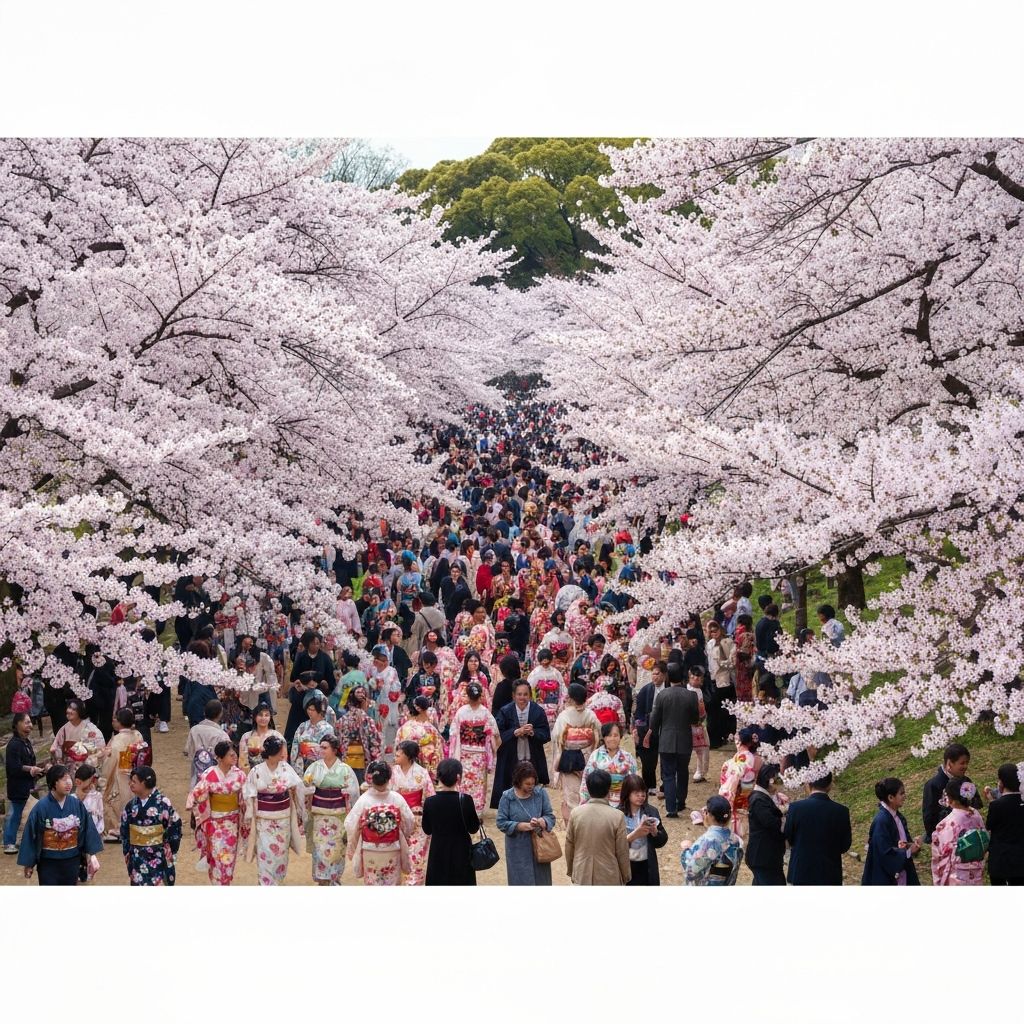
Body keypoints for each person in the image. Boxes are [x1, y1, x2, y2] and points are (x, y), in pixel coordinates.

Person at [17, 765, 104, 885]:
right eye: (63, 779)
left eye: (69, 778)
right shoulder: (41, 807)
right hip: (48, 861)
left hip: (72, 859)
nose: (68, 782)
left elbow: (87, 830)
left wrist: (91, 855)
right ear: (53, 782)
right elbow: (31, 835)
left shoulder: (76, 804)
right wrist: (29, 863)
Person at [242, 734, 306, 885]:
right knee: (265, 854)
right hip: (264, 821)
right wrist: (250, 811)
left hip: (282, 821)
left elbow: (298, 786)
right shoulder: (256, 770)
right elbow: (249, 792)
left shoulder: (285, 768)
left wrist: (300, 810)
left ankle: (277, 883)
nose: (283, 754)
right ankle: (265, 884)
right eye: (280, 751)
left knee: (280, 856)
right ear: (271, 753)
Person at [186, 739, 249, 886]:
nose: (234, 757)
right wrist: (195, 803)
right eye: (230, 755)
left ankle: (223, 884)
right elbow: (197, 795)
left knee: (228, 859)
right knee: (216, 858)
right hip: (214, 824)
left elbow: (245, 798)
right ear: (219, 758)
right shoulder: (209, 774)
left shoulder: (239, 775)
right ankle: (219, 884)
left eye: (234, 754)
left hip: (232, 823)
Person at [345, 759, 416, 885]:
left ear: (370, 778)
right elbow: (410, 821)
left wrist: (355, 840)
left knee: (373, 882)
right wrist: (403, 833)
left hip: (370, 849)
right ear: (389, 778)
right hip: (392, 848)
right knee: (391, 882)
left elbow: (350, 824)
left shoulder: (364, 800)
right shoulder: (396, 798)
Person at [302, 734, 361, 886]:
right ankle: (322, 879)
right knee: (320, 848)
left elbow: (353, 790)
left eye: (325, 747)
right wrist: (310, 788)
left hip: (338, 816)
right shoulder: (314, 767)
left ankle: (335, 878)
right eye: (320, 747)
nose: (321, 750)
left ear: (335, 750)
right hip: (319, 816)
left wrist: (345, 792)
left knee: (337, 849)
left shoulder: (344, 769)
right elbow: (304, 787)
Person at [645, 662, 698, 817]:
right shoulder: (691, 695)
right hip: (684, 739)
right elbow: (695, 719)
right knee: (682, 772)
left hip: (666, 740)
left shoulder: (662, 695)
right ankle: (680, 802)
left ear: (667, 676)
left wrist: (651, 732)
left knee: (668, 774)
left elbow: (654, 721)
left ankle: (670, 808)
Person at [784, 772, 852, 885]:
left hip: (801, 871)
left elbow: (789, 838)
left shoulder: (796, 808)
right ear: (830, 784)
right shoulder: (841, 811)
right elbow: (845, 845)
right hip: (829, 873)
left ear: (808, 783)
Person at [490, 680, 551, 808]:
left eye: (525, 694)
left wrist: (533, 732)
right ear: (513, 695)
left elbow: (546, 734)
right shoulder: (505, 711)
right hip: (511, 757)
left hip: (532, 756)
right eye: (519, 694)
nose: (522, 698)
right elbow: (496, 734)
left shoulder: (537, 711)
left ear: (530, 695)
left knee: (532, 787)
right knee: (510, 786)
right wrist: (515, 732)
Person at [564, 768, 631, 885]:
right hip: (609, 874)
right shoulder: (617, 816)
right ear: (609, 789)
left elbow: (569, 844)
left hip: (581, 872)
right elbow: (622, 851)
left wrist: (571, 870)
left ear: (588, 790)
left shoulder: (576, 813)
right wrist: (626, 875)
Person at [495, 759, 557, 885]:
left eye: (533, 783)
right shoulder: (507, 797)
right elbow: (501, 822)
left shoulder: (541, 793)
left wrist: (542, 821)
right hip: (517, 849)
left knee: (541, 883)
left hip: (540, 848)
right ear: (518, 782)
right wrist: (520, 826)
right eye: (527, 784)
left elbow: (550, 817)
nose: (531, 787)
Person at [119, 765, 183, 886]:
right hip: (137, 857)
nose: (130, 784)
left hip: (159, 856)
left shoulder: (163, 803)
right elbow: (124, 832)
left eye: (134, 781)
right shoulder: (130, 806)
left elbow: (175, 826)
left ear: (144, 783)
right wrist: (128, 852)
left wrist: (169, 849)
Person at [550, 682, 602, 826]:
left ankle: (574, 825)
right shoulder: (590, 714)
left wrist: (571, 739)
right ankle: (588, 822)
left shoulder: (564, 716)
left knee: (571, 794)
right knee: (587, 790)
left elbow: (556, 736)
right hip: (587, 756)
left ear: (571, 699)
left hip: (570, 758)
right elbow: (599, 730)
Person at [422, 758, 480, 886]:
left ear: (439, 776)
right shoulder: (466, 800)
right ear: (458, 777)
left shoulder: (430, 802)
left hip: (438, 852)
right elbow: (473, 828)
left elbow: (427, 829)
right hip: (462, 853)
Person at [449, 681, 499, 815]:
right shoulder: (485, 713)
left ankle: (463, 810)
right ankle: (477, 812)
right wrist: (492, 750)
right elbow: (495, 735)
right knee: (478, 783)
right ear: (481, 696)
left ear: (468, 696)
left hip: (464, 752)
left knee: (464, 782)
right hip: (480, 753)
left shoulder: (461, 712)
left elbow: (453, 734)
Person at [390, 739, 436, 885]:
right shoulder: (392, 772)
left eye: (400, 752)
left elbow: (430, 797)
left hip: (417, 819)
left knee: (416, 856)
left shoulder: (421, 773)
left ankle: (413, 885)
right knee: (395, 854)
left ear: (409, 756)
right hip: (395, 818)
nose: (396, 754)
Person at [861, 777, 922, 886]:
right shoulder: (881, 821)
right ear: (890, 797)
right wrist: (908, 852)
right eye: (901, 793)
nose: (905, 796)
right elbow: (885, 854)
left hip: (902, 871)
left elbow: (903, 842)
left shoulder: (898, 816)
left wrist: (912, 845)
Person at [931, 777, 987, 886]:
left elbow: (939, 856)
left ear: (950, 800)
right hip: (976, 872)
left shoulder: (945, 825)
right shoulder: (976, 815)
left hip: (956, 876)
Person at [922, 742, 983, 842]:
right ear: (949, 764)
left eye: (967, 762)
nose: (965, 766)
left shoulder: (966, 781)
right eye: (962, 763)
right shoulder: (933, 785)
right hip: (946, 837)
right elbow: (929, 817)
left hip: (968, 834)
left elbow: (977, 804)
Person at [101, 708, 146, 840]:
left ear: (119, 722)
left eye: (115, 719)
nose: (113, 722)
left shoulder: (118, 740)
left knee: (118, 799)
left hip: (121, 774)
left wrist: (104, 774)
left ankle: (119, 828)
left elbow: (111, 762)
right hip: (136, 771)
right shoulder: (138, 734)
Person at [681, 795, 743, 886]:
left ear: (709, 815)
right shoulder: (735, 839)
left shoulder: (709, 841)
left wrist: (686, 850)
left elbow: (691, 869)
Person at [4, 712, 43, 854]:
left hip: (28, 786)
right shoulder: (13, 745)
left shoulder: (26, 743)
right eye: (26, 722)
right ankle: (8, 842)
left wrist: (39, 770)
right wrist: (30, 770)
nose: (30, 725)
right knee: (14, 815)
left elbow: (30, 763)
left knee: (26, 815)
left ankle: (21, 840)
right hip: (17, 787)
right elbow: (13, 767)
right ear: (17, 724)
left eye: (30, 722)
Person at [619, 773, 668, 886]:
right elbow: (612, 845)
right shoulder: (618, 814)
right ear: (627, 793)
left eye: (643, 793)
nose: (641, 796)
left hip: (646, 863)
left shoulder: (651, 811)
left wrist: (655, 832)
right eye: (636, 793)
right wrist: (634, 835)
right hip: (626, 864)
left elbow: (662, 841)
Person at [718, 726, 763, 839]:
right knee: (739, 812)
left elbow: (737, 773)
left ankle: (736, 836)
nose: (736, 742)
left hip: (742, 787)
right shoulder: (750, 756)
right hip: (746, 785)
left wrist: (728, 789)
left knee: (738, 812)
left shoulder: (745, 756)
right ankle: (737, 835)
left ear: (742, 742)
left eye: (737, 740)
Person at [580, 722, 637, 810]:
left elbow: (634, 781)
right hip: (599, 801)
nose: (612, 739)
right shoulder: (596, 756)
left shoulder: (627, 757)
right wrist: (584, 802)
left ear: (620, 737)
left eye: (615, 735)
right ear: (604, 737)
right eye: (609, 735)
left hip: (622, 802)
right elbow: (586, 780)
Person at [985, 763, 1024, 885]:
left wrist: (992, 801)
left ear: (1001, 782)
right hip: (1021, 859)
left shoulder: (996, 805)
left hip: (1000, 859)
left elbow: (989, 825)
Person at [632, 660, 666, 795]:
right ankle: (650, 785)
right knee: (648, 760)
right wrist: (640, 728)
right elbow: (638, 713)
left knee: (665, 759)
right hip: (648, 728)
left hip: (666, 728)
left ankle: (664, 786)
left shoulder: (669, 688)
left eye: (657, 674)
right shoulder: (646, 690)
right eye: (653, 674)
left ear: (664, 675)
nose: (654, 677)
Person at [337, 685, 383, 784]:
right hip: (362, 760)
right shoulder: (366, 720)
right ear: (364, 702)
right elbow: (375, 742)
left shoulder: (341, 720)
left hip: (345, 759)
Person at [290, 690, 336, 774]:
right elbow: (295, 744)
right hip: (301, 763)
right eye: (308, 709)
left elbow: (328, 749)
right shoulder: (303, 726)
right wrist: (294, 761)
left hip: (319, 765)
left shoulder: (327, 728)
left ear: (320, 711)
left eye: (313, 710)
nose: (309, 712)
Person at [50, 699, 105, 771]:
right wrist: (57, 753)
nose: (69, 711)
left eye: (73, 709)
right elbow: (56, 747)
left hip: (86, 766)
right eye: (69, 708)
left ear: (80, 711)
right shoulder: (64, 729)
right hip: (68, 766)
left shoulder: (90, 729)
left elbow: (100, 748)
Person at [184, 699, 227, 787]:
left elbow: (187, 751)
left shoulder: (194, 729)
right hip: (216, 777)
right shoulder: (222, 735)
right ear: (220, 714)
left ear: (204, 713)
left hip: (197, 775)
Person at [238, 704, 285, 771]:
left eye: (266, 715)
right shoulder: (246, 737)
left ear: (270, 717)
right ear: (255, 717)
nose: (263, 718)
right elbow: (242, 761)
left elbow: (283, 758)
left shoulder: (277, 736)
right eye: (260, 715)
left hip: (274, 775)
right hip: (252, 775)